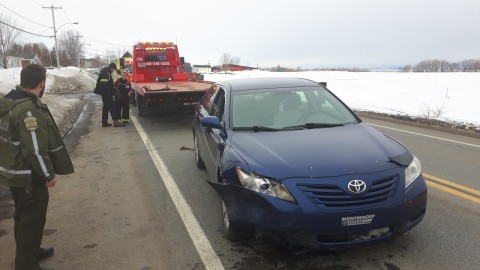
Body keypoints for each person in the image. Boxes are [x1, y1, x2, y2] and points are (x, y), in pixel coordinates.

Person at [0, 64, 75, 270]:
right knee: (32, 218)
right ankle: (26, 264)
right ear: (41, 83)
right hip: (28, 175)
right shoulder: (28, 110)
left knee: (24, 216)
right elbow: (34, 149)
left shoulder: (9, 100)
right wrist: (48, 174)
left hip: (14, 172)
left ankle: (30, 251)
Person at [95, 63, 125, 127]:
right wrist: (110, 93)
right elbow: (104, 84)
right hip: (106, 93)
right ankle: (116, 122)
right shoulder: (106, 74)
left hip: (105, 93)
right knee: (112, 106)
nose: (114, 71)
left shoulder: (106, 72)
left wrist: (113, 89)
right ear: (111, 68)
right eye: (114, 69)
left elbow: (107, 84)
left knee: (106, 108)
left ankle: (104, 122)